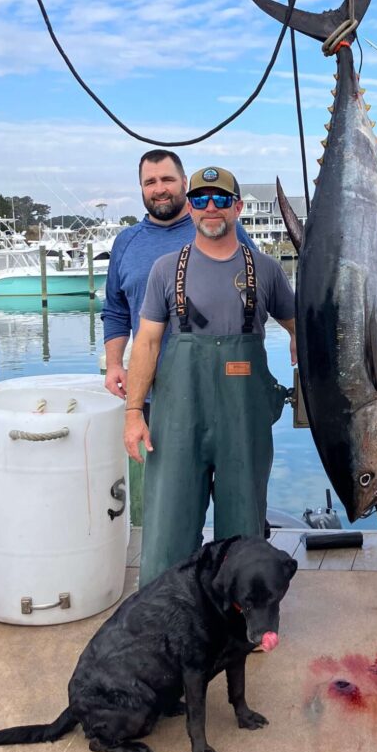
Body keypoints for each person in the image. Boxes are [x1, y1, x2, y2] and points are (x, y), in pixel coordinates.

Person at [124, 165, 297, 587]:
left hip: (244, 422)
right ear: (190, 207)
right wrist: (133, 411)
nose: (211, 208)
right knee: (168, 524)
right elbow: (146, 344)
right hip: (179, 421)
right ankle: (164, 618)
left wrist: (305, 353)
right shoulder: (166, 270)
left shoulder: (267, 270)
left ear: (237, 207)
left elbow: (300, 329)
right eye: (200, 199)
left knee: (244, 526)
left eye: (221, 199)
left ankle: (244, 618)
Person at [101, 149, 256, 401]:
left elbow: (261, 288)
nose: (159, 189)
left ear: (184, 183)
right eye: (150, 182)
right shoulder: (126, 242)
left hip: (227, 391)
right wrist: (115, 364)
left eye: (167, 180)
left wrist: (296, 333)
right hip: (155, 393)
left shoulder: (222, 226)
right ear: (141, 187)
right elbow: (116, 311)